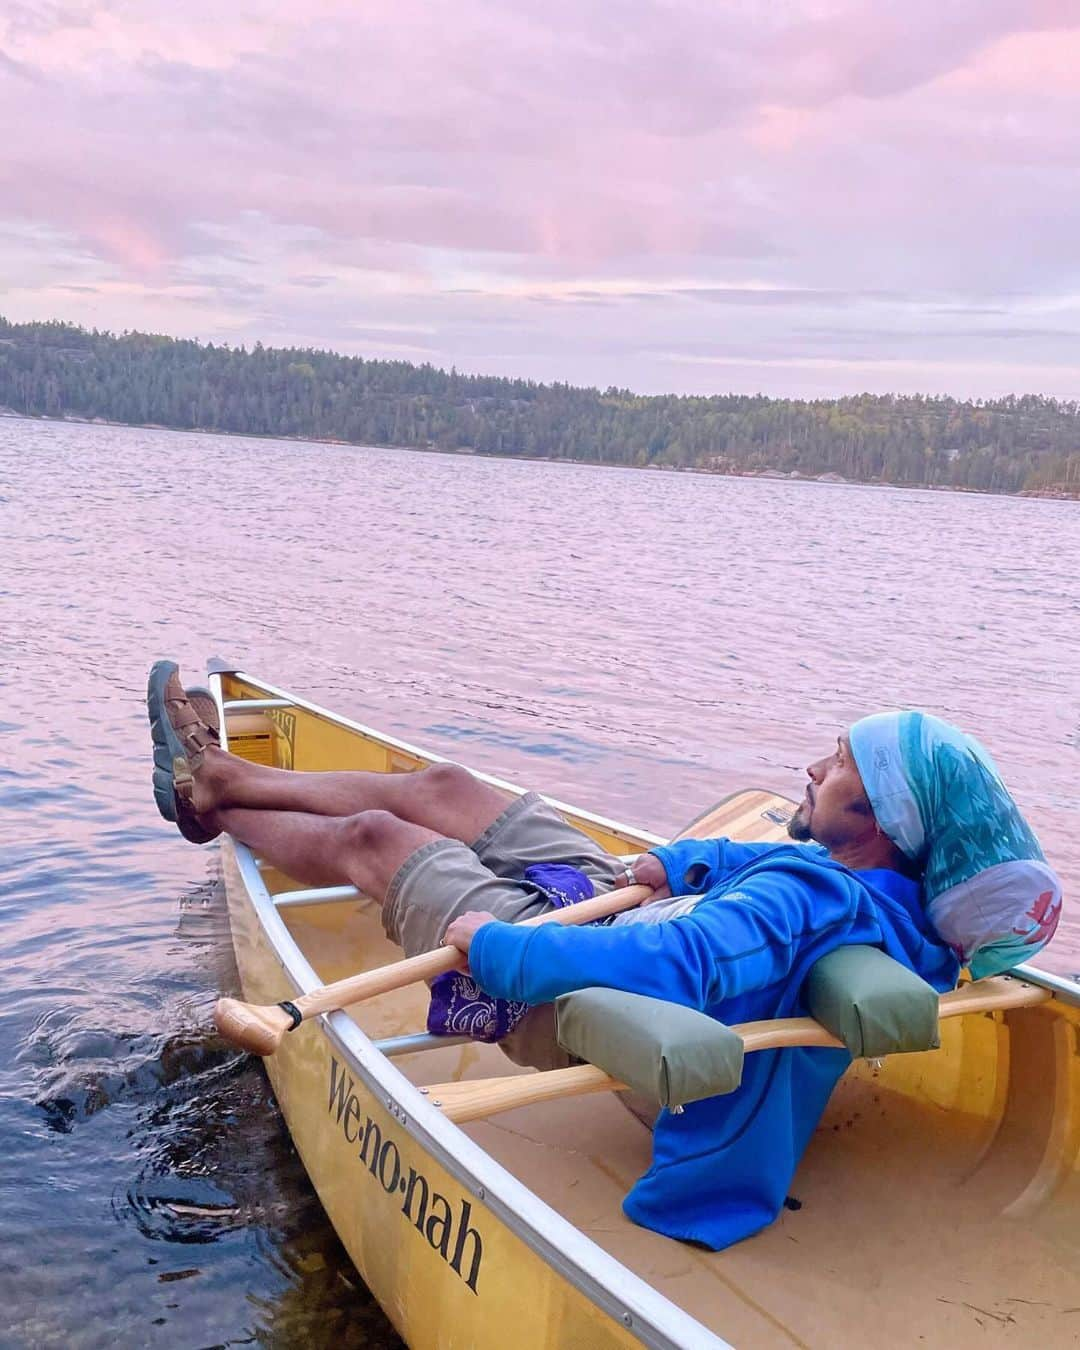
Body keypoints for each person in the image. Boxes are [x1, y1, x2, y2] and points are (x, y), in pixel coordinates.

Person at [147, 662, 1062, 1249]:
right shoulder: (891, 890)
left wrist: (501, 950)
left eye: (838, 767)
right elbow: (782, 866)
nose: (813, 770)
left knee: (380, 839)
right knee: (452, 789)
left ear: (882, 818)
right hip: (618, 919)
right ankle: (224, 775)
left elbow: (679, 967)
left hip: (581, 973)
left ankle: (213, 809)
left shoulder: (807, 901)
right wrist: (688, 859)